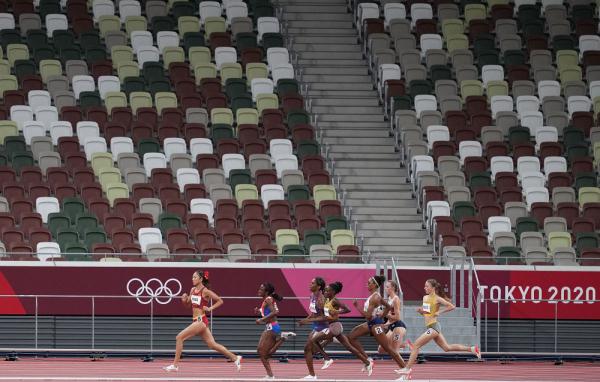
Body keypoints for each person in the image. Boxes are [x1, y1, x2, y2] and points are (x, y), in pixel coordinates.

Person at [395, 279, 481, 380]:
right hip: (430, 326)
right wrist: (420, 311)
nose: (424, 288)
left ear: (433, 288)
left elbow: (452, 306)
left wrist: (440, 312)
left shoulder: (437, 299)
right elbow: (426, 313)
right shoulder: (425, 297)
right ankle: (471, 349)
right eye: (424, 286)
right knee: (447, 348)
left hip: (434, 327)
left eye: (427, 286)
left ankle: (407, 369)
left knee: (416, 345)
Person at [163, 270, 242, 372]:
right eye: (192, 277)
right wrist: (184, 300)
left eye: (195, 277)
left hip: (201, 320)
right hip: (196, 320)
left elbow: (220, 300)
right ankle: (235, 358)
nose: (192, 279)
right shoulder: (192, 290)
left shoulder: (205, 291)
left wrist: (210, 308)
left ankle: (175, 365)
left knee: (179, 337)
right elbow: (188, 305)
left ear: (200, 279)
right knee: (212, 345)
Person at [301, 281, 374, 379]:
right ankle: (367, 362)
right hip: (332, 326)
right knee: (349, 348)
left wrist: (337, 311)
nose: (325, 291)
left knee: (314, 339)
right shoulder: (326, 300)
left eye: (328, 290)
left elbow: (348, 309)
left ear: (333, 292)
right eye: (325, 290)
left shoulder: (335, 300)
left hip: (335, 326)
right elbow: (323, 313)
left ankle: (327, 358)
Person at [347, 275, 407, 374]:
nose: (367, 284)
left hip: (375, 325)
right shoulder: (375, 296)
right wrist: (382, 317)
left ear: (375, 285)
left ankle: (405, 368)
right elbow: (387, 306)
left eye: (369, 283)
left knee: (388, 348)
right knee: (351, 336)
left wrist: (357, 306)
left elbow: (367, 316)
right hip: (372, 323)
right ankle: (368, 361)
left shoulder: (375, 297)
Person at [255, 282, 296, 380]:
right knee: (264, 353)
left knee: (262, 353)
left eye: (261, 289)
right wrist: (259, 311)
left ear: (267, 291)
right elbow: (269, 312)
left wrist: (261, 320)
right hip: (271, 327)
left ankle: (270, 376)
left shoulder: (268, 299)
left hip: (272, 327)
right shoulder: (267, 299)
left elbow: (275, 312)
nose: (259, 290)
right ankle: (282, 338)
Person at [298, 277, 333, 378]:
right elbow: (313, 313)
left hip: (324, 327)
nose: (310, 284)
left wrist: (308, 320)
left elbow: (325, 317)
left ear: (318, 286)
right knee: (308, 349)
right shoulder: (312, 295)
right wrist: (305, 320)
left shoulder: (321, 299)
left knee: (307, 348)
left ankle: (325, 358)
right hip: (316, 327)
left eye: (312, 283)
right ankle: (312, 375)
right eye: (310, 282)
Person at [378, 280, 412, 355]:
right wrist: (385, 324)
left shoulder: (396, 299)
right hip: (391, 326)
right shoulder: (390, 298)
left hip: (398, 327)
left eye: (387, 287)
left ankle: (406, 346)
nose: (385, 289)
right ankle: (406, 344)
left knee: (394, 350)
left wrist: (384, 314)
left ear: (393, 288)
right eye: (385, 287)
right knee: (381, 349)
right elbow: (390, 317)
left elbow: (397, 317)